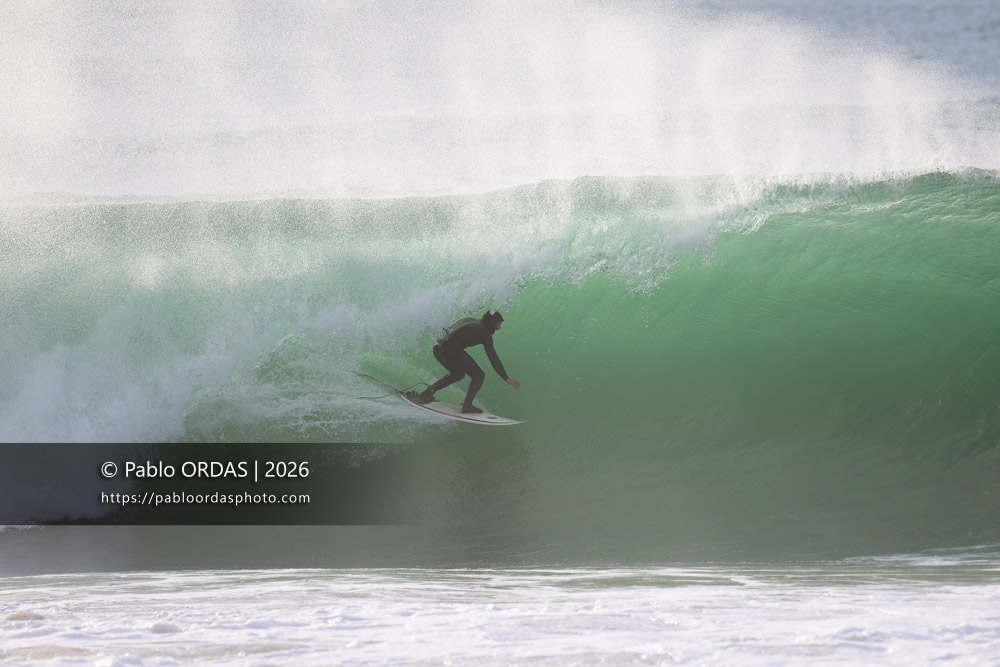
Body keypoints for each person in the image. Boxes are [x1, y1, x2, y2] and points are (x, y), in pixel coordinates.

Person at [409, 311, 520, 413]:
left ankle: (425, 395)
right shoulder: (484, 332)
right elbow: (493, 356)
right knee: (479, 376)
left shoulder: (469, 320)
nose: (499, 327)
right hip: (450, 349)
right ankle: (467, 406)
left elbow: (448, 331)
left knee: (458, 374)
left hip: (438, 347)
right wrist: (506, 378)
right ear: (491, 322)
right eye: (498, 324)